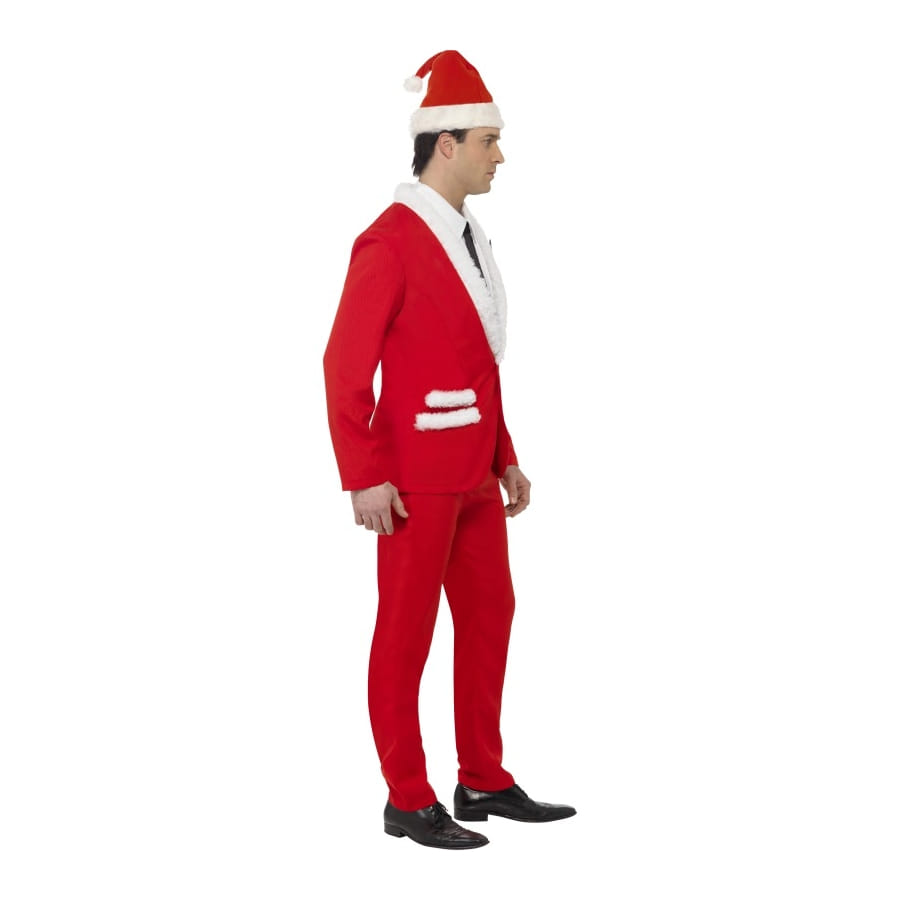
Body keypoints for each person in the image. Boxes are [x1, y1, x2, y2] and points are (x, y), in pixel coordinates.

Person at [323, 50, 575, 850]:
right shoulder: (389, 240)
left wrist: (506, 454)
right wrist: (364, 476)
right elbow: (343, 365)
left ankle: (483, 778)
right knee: (405, 637)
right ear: (446, 143)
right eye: (489, 141)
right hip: (412, 483)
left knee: (492, 616)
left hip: (473, 477)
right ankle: (407, 797)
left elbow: (477, 359)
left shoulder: (469, 236)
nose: (501, 156)